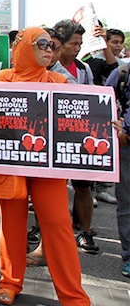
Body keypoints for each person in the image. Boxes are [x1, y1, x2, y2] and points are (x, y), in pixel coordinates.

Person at [0, 27, 91, 306]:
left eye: (52, 46)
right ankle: (9, 282)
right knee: (11, 225)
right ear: (25, 46)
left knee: (58, 225)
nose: (50, 51)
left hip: (47, 170)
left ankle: (75, 296)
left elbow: (75, 122)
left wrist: (106, 125)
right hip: (13, 165)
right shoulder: (3, 79)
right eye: (42, 45)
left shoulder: (59, 81)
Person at [50, 19, 98, 254]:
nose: (77, 48)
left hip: (78, 136)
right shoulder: (46, 67)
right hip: (51, 137)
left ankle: (85, 231)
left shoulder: (83, 70)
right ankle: (44, 230)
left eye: (80, 44)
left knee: (82, 186)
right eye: (73, 43)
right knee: (50, 187)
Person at [105, 61, 130, 278]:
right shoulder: (122, 73)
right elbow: (104, 104)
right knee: (127, 203)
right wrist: (119, 129)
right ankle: (129, 256)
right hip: (127, 145)